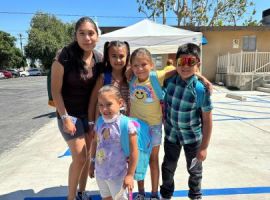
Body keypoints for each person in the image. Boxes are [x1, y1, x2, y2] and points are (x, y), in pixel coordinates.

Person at [51, 16, 103, 200]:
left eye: (91, 33)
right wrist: (64, 117)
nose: (87, 38)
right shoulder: (64, 56)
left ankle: (81, 192)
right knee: (80, 157)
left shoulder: (99, 58)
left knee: (88, 156)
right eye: (82, 33)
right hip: (68, 114)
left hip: (88, 114)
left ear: (97, 36)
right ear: (75, 35)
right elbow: (55, 91)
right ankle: (71, 197)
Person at [160, 43, 213, 200]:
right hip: (171, 136)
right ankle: (166, 194)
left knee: (195, 171)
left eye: (190, 62)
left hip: (192, 138)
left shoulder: (200, 89)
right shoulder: (169, 82)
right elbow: (153, 76)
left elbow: (207, 120)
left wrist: (204, 147)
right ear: (176, 63)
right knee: (168, 167)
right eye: (181, 62)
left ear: (198, 64)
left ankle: (195, 195)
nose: (185, 66)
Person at [129, 48, 176, 200]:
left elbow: (179, 69)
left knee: (153, 159)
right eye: (135, 65)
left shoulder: (157, 76)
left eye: (143, 64)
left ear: (151, 65)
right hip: (136, 127)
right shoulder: (131, 79)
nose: (139, 69)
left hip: (154, 126)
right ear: (131, 66)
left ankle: (154, 194)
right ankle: (141, 192)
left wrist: (201, 77)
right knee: (138, 159)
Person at [89, 85, 138, 200]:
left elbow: (134, 152)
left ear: (120, 103)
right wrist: (91, 163)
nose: (104, 109)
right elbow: (95, 143)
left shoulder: (127, 125)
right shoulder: (100, 121)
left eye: (109, 104)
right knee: (106, 197)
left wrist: (130, 175)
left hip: (118, 175)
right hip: (101, 173)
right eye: (101, 105)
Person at [88, 40, 131, 119]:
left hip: (126, 124)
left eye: (121, 56)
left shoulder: (131, 76)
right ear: (108, 57)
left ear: (127, 56)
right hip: (107, 124)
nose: (118, 60)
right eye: (114, 56)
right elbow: (93, 101)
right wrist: (91, 123)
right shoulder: (103, 78)